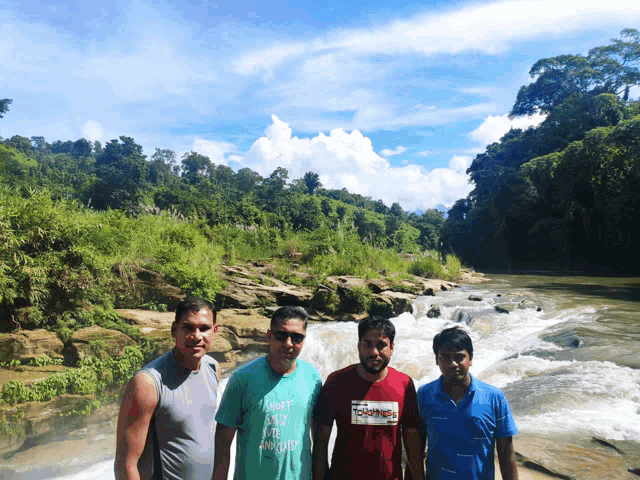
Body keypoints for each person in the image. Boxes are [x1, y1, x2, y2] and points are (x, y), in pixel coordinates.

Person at [114, 297, 220, 480]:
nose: (197, 336)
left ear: (215, 331)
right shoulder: (148, 382)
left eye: (204, 328)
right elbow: (126, 465)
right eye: (188, 328)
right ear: (174, 330)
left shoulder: (213, 368)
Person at [213, 306, 322, 480]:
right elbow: (223, 443)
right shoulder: (243, 379)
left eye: (296, 337)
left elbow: (318, 437)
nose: (288, 343)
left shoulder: (313, 377)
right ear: (269, 336)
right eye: (281, 335)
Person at [313, 317, 424, 480]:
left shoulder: (404, 384)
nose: (374, 353)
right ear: (359, 345)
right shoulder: (336, 382)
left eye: (381, 345)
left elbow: (412, 442)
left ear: (392, 348)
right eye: (368, 344)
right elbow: (321, 443)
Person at [417, 326, 519, 480]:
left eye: (459, 357)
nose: (453, 364)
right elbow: (415, 449)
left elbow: (506, 452)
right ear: (436, 359)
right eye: (445, 357)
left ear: (470, 358)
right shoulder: (425, 395)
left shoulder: (494, 397)